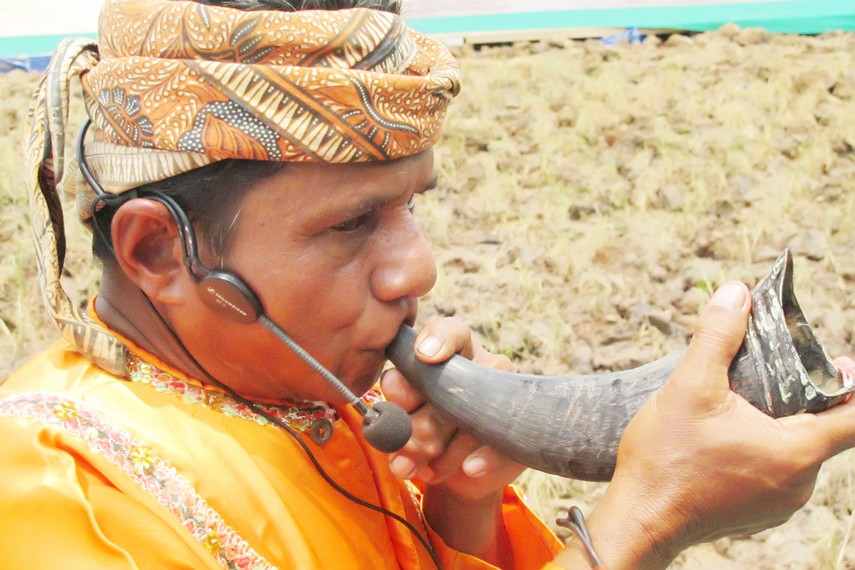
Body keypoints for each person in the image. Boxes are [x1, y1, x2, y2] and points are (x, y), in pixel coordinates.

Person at [2, 0, 854, 568]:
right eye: (349, 224)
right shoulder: (59, 496)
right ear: (157, 251)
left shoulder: (304, 394)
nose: (418, 268)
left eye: (409, 206)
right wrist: (645, 523)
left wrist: (457, 509)